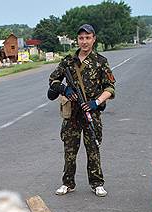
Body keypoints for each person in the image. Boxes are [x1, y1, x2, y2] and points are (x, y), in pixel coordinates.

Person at [48, 24, 115, 197]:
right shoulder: (68, 61)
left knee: (93, 148)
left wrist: (96, 102)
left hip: (91, 113)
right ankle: (67, 183)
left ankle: (97, 183)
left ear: (94, 39)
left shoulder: (100, 62)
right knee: (69, 149)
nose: (84, 41)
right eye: (81, 38)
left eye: (87, 38)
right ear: (77, 40)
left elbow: (110, 87)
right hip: (72, 114)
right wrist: (64, 90)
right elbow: (53, 80)